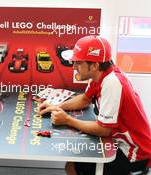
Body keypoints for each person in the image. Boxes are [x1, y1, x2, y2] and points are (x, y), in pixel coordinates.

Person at [38, 35, 151, 175]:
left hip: (133, 154)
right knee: (72, 164)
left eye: (78, 63)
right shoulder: (101, 75)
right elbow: (85, 99)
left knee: (73, 167)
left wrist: (67, 120)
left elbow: (104, 130)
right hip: (118, 141)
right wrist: (57, 106)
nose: (74, 67)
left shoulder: (112, 83)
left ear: (95, 65)